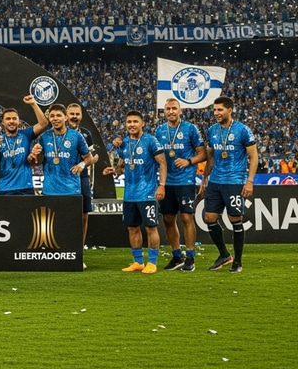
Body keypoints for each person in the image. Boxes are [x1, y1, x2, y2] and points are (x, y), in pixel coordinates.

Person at [103, 110, 167, 274]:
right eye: (129, 122)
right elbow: (125, 166)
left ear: (142, 123)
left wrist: (161, 185)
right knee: (132, 227)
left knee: (151, 227)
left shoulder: (151, 141)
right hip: (129, 194)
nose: (131, 124)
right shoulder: (124, 143)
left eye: (135, 121)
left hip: (148, 193)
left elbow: (162, 163)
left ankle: (152, 262)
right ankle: (138, 262)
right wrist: (115, 170)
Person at [200, 96, 258, 273]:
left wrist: (249, 181)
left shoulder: (242, 130)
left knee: (235, 220)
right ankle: (224, 254)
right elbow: (211, 155)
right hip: (215, 181)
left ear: (230, 110)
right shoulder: (212, 131)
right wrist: (204, 179)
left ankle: (238, 262)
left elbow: (254, 156)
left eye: (220, 110)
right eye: (215, 110)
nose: (216, 113)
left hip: (235, 181)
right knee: (209, 218)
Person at [154, 98, 206, 272]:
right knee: (168, 219)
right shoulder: (160, 130)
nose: (170, 112)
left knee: (186, 217)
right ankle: (177, 256)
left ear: (180, 110)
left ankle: (190, 255)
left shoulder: (190, 129)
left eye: (174, 108)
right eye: (167, 109)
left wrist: (189, 161)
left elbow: (203, 153)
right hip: (166, 182)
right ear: (164, 111)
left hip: (185, 181)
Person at [31, 104, 93, 196]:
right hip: (49, 190)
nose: (55, 118)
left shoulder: (76, 136)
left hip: (71, 190)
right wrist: (36, 154)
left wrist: (82, 164)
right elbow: (38, 162)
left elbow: (89, 158)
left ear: (65, 117)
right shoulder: (44, 137)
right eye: (52, 116)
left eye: (58, 115)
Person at [0, 95, 48, 195]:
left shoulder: (26, 135)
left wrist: (33, 104)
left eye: (14, 118)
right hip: (4, 188)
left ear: (19, 120)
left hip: (25, 187)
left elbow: (43, 124)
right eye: (8, 119)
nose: (11, 121)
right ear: (2, 122)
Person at [66, 102, 98, 246]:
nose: (74, 116)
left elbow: (93, 157)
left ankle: (80, 249)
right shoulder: (58, 131)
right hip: (63, 178)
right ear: (66, 116)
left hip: (82, 177)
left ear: (81, 116)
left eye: (77, 114)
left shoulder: (86, 133)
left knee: (84, 215)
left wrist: (83, 163)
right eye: (72, 114)